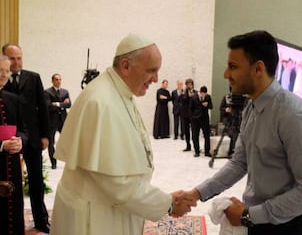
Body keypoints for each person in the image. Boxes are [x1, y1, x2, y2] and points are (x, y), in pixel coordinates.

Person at [178, 30, 302, 235]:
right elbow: (240, 162)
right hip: (255, 222)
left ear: (258, 68)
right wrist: (197, 193)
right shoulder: (252, 108)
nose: (226, 74)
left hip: (288, 228)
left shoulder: (295, 116)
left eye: (233, 67)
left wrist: (248, 215)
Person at [50, 33, 195, 235]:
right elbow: (116, 184)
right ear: (126, 66)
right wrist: (167, 203)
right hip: (95, 216)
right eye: (151, 71)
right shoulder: (101, 102)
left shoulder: (119, 92)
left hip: (113, 209)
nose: (156, 79)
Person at [2, 44, 51, 233]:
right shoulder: (2, 77)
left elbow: (43, 108)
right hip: (9, 139)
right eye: (12, 58)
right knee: (9, 180)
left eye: (19, 58)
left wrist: (46, 135)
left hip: (32, 137)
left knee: (36, 180)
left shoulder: (33, 77)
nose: (16, 62)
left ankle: (41, 220)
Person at [0, 55, 28, 235]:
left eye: (7, 71)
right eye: (0, 70)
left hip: (12, 170)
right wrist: (2, 145)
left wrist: (20, 142)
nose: (3, 75)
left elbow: (24, 131)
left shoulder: (12, 99)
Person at [44, 73, 71, 169]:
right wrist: (62, 104)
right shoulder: (47, 92)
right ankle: (53, 163)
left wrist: (57, 104)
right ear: (52, 81)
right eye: (56, 79)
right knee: (51, 142)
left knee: (68, 141)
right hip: (52, 121)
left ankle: (69, 161)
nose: (58, 81)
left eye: (60, 79)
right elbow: (48, 106)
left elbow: (69, 105)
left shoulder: (65, 92)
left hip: (63, 120)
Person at [189, 85, 213, 157]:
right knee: (195, 136)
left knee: (207, 135)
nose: (204, 95)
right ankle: (197, 151)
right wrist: (192, 117)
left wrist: (207, 105)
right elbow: (190, 108)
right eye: (203, 94)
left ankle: (207, 151)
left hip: (205, 119)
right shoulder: (194, 97)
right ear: (200, 92)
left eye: (205, 94)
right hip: (195, 119)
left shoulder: (208, 97)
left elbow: (211, 106)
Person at [179, 78, 195, 152]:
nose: (189, 85)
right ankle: (188, 146)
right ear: (186, 85)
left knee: (194, 131)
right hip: (185, 115)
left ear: (192, 85)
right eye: (188, 84)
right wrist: (184, 94)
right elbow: (180, 101)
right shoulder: (183, 92)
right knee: (186, 131)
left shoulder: (195, 92)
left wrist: (192, 96)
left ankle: (196, 147)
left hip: (193, 115)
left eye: (190, 84)